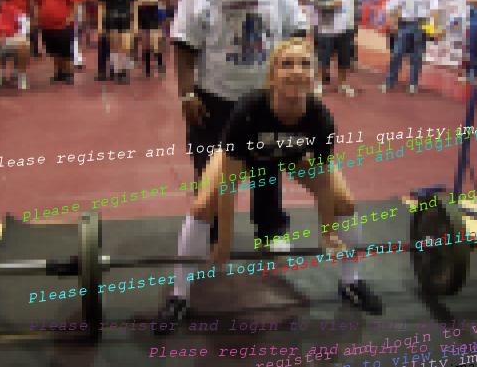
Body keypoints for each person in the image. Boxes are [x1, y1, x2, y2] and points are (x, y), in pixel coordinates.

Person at [162, 37, 383, 323]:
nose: (296, 71)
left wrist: (328, 231)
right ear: (272, 76)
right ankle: (179, 295)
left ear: (315, 75)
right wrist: (225, 238)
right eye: (286, 64)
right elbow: (229, 182)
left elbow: (323, 180)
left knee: (345, 203)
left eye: (304, 64)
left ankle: (350, 281)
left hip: (292, 156)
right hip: (245, 157)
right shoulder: (249, 110)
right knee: (202, 206)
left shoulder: (321, 118)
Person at [170, 0, 307, 270]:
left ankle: (270, 230)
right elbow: (184, 45)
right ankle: (213, 233)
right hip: (214, 98)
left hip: (264, 98)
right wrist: (186, 95)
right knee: (210, 172)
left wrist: (293, 84)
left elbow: (297, 32)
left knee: (268, 167)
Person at [382, 0, 438, 95]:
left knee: (417, 56)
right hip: (405, 23)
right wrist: (392, 19)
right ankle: (390, 81)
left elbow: (434, 9)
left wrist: (434, 28)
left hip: (421, 24)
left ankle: (413, 83)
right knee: (397, 53)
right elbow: (398, 3)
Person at [315, 0, 358, 97]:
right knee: (323, 58)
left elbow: (355, 4)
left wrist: (354, 23)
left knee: (344, 59)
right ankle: (319, 84)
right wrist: (330, 5)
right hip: (327, 27)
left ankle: (342, 84)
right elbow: (316, 3)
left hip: (346, 27)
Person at [36, 0, 83, 84]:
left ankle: (69, 73)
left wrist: (71, 17)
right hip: (47, 25)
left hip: (63, 24)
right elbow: (38, 2)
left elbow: (76, 2)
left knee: (65, 51)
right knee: (53, 51)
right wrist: (38, 17)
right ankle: (59, 73)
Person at [98, 0, 137, 84]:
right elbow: (101, 7)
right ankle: (118, 72)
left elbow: (134, 6)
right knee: (114, 47)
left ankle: (124, 71)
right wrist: (100, 24)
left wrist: (135, 22)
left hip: (125, 20)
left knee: (126, 46)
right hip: (111, 21)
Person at [136, 0, 164, 77]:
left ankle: (160, 65)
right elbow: (137, 3)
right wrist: (145, 1)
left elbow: (155, 1)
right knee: (145, 45)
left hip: (154, 19)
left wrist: (144, 1)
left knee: (156, 43)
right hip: (143, 19)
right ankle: (147, 70)